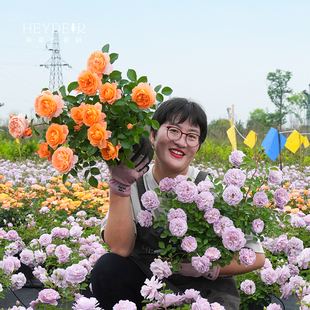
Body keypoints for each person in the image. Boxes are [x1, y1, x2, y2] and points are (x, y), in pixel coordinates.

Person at [91, 98, 265, 310]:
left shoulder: (213, 189)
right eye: (173, 130)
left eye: (192, 136)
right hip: (148, 283)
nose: (181, 142)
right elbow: (119, 248)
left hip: (205, 291)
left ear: (198, 146)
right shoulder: (133, 182)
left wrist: (206, 268)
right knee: (108, 268)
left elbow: (256, 256)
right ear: (153, 136)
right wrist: (120, 187)